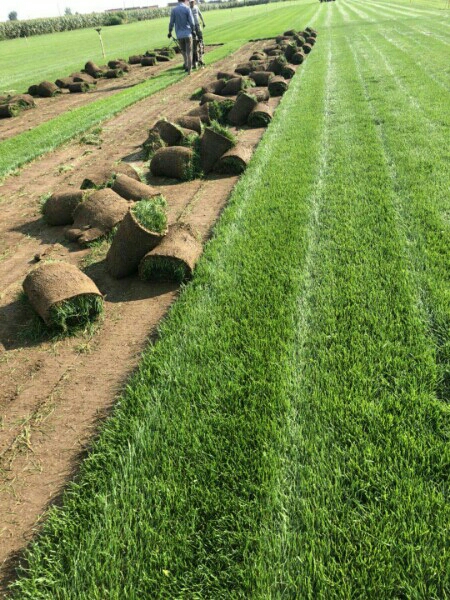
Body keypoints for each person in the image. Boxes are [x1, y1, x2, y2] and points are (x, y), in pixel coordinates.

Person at [168, 0, 195, 75]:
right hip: (188, 34)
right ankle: (189, 71)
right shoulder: (187, 9)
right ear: (185, 0)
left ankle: (186, 65)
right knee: (189, 52)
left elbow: (171, 23)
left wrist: (170, 32)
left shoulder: (174, 10)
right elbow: (192, 22)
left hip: (179, 35)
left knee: (184, 52)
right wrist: (193, 30)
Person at [189, 0, 205, 67]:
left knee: (201, 40)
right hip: (192, 27)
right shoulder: (188, 9)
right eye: (190, 2)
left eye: (192, 2)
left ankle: (201, 55)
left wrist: (203, 22)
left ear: (194, 2)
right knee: (194, 42)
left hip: (198, 25)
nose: (192, 3)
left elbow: (200, 14)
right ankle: (195, 59)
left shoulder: (196, 7)